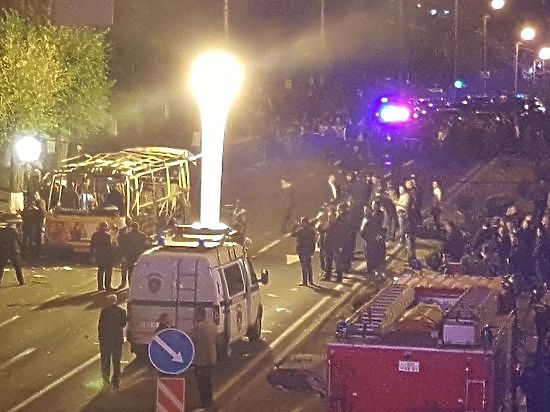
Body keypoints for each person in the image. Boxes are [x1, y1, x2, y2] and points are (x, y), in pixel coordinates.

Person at [98, 294, 127, 390]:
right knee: (116, 361)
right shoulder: (121, 311)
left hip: (106, 340)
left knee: (105, 361)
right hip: (117, 340)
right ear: (116, 301)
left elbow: (100, 326)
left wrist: (101, 338)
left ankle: (105, 381)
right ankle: (116, 380)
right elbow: (123, 324)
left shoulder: (104, 311)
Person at [192, 307, 218, 410]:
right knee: (208, 381)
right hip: (211, 357)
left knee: (202, 383)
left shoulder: (199, 328)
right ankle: (210, 402)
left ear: (199, 315)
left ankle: (205, 403)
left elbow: (192, 339)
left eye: (195, 315)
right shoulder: (212, 325)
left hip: (201, 359)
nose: (194, 317)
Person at [118, 221, 146, 289]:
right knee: (137, 270)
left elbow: (123, 246)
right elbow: (144, 246)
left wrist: (122, 255)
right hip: (138, 255)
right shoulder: (142, 235)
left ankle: (127, 284)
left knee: (129, 270)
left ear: (132, 227)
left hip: (129, 255)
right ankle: (136, 285)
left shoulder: (127, 235)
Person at [291, 217, 316, 286]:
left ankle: (309, 280)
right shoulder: (301, 231)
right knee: (305, 266)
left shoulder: (310, 231)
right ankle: (306, 281)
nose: (304, 224)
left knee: (307, 265)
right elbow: (293, 234)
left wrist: (312, 250)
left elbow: (313, 241)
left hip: (306, 249)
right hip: (301, 250)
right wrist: (295, 227)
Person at [91, 222, 115, 291]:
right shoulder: (107, 235)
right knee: (108, 271)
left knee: (100, 270)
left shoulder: (94, 235)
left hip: (99, 255)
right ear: (104, 227)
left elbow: (92, 246)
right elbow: (109, 246)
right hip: (106, 256)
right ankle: (107, 285)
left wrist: (92, 255)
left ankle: (100, 286)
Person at [0, 221, 25, 286]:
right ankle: (21, 281)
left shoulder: (1, 231)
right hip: (13, 250)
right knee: (17, 266)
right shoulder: (14, 231)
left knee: (1, 266)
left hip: (4, 250)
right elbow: (20, 241)